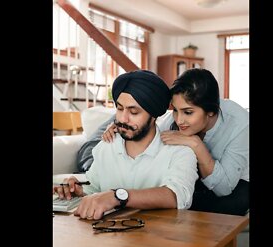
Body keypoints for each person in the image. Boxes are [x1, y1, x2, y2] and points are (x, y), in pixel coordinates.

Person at [53, 70, 198, 220]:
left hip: (158, 238)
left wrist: (117, 196)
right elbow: (94, 186)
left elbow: (177, 196)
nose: (123, 118)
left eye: (133, 112)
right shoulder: (107, 145)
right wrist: (77, 190)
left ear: (154, 115)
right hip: (109, 237)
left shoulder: (180, 152)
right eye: (120, 108)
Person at [102, 68, 249, 216]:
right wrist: (124, 127)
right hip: (196, 178)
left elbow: (224, 188)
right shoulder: (172, 122)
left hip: (235, 183)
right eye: (175, 110)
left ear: (211, 111)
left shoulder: (240, 124)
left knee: (234, 203)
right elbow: (151, 137)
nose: (179, 120)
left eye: (188, 112)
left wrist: (196, 145)